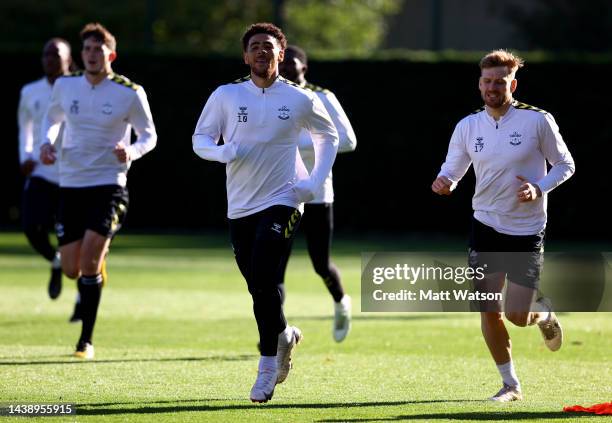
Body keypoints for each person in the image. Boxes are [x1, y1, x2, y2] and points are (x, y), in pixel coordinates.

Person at [192, 23, 338, 403]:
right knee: (259, 285)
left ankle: (267, 365)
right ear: (245, 56)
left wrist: (313, 182)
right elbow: (200, 138)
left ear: (280, 55)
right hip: (240, 205)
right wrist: (221, 152)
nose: (261, 52)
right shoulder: (226, 95)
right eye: (254, 46)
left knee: (262, 273)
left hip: (285, 198)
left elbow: (330, 136)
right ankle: (285, 334)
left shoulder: (299, 98)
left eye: (268, 47)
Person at [431, 49, 575, 402]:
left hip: (526, 229)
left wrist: (538, 187)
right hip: (485, 223)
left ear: (513, 83)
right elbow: (453, 166)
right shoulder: (468, 125)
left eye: (500, 81)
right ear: (480, 84)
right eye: (487, 81)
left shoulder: (537, 120)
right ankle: (511, 385)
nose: (492, 87)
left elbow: (565, 164)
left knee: (516, 314)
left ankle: (543, 313)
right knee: (488, 308)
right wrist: (445, 180)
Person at [40, 23, 157, 359]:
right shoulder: (66, 85)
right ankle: (96, 262)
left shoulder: (129, 91)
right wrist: (47, 143)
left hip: (109, 185)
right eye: (87, 50)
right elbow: (52, 118)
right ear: (82, 55)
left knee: (89, 263)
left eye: (98, 50)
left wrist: (131, 151)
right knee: (71, 269)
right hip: (71, 184)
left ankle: (85, 341)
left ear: (111, 55)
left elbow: (149, 135)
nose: (92, 55)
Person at [278, 45, 356, 342]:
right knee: (276, 264)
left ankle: (341, 302)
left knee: (319, 262)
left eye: (292, 66)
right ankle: (275, 331)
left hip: (318, 193)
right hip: (280, 193)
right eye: (281, 66)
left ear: (304, 69)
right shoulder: (271, 97)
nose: (285, 70)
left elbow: (348, 140)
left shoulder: (322, 97)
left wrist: (303, 144)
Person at [17, 38, 72, 300]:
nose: (50, 59)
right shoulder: (30, 91)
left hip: (72, 174)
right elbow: (25, 126)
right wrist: (26, 156)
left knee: (70, 234)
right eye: (46, 54)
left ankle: (81, 297)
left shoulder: (78, 88)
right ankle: (55, 260)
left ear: (68, 59)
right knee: (31, 227)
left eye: (56, 55)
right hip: (41, 170)